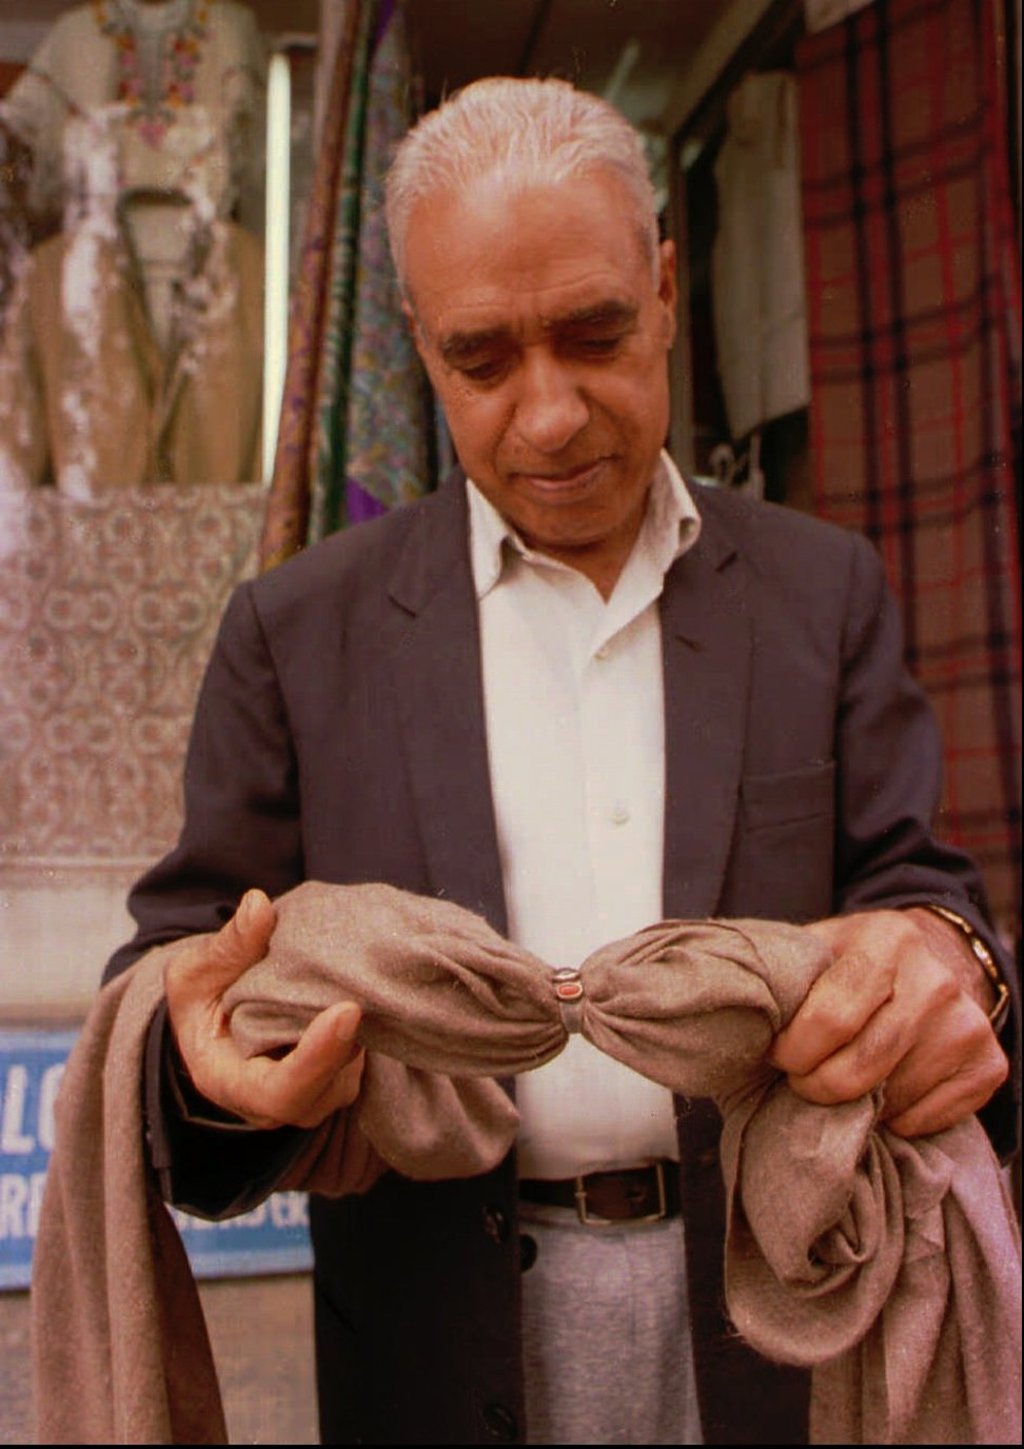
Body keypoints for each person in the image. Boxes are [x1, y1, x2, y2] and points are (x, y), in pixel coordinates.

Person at [104, 77, 1015, 1446]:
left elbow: (920, 891)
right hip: (435, 1333)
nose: (548, 416)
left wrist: (957, 968)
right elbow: (183, 972)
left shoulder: (821, 593)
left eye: (594, 334)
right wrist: (206, 1064)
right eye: (483, 358)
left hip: (779, 1323)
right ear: (417, 342)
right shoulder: (300, 634)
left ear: (663, 287)